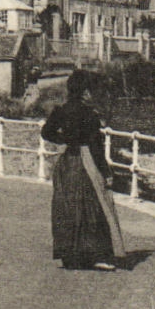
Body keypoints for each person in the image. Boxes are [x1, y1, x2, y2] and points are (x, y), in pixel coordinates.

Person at [39, 71, 126, 271]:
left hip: (67, 162)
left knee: (67, 207)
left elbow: (46, 132)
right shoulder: (89, 114)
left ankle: (69, 255)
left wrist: (65, 141)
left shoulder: (61, 110)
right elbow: (96, 147)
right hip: (86, 163)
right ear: (85, 92)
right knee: (92, 207)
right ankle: (94, 255)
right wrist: (106, 173)